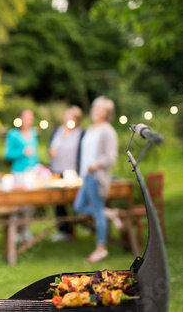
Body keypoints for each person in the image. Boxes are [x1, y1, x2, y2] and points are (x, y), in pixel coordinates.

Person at [73, 96, 121, 263]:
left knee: (98, 211)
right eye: (95, 106)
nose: (96, 110)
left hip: (96, 177)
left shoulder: (108, 131)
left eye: (101, 108)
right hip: (86, 177)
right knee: (78, 207)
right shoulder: (91, 128)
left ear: (107, 113)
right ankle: (110, 213)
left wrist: (96, 164)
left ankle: (101, 248)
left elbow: (112, 156)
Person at [48, 105, 84, 242]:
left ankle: (77, 227)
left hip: (73, 172)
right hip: (57, 170)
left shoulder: (80, 133)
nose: (67, 118)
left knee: (74, 200)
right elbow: (51, 147)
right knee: (58, 202)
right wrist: (50, 152)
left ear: (76, 118)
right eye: (66, 115)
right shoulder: (57, 131)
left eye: (71, 116)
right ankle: (62, 231)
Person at [4, 108, 39, 243]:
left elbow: (35, 154)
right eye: (26, 117)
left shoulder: (33, 133)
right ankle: (16, 232)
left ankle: (26, 231)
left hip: (32, 173)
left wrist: (39, 167)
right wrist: (23, 151)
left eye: (30, 118)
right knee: (18, 203)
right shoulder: (13, 134)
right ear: (20, 119)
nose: (28, 121)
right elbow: (7, 154)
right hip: (18, 173)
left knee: (30, 205)